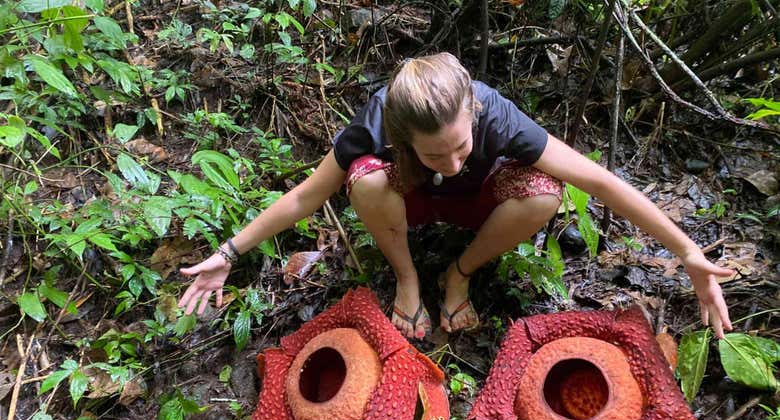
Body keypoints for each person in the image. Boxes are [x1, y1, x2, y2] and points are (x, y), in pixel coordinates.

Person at [178, 52, 734, 340]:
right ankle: (408, 276)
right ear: (403, 137)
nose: (452, 160)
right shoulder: (378, 122)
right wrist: (229, 254)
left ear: (474, 113)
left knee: (546, 192)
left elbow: (599, 181)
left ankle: (460, 273)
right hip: (406, 203)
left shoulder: (497, 114)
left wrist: (686, 253)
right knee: (365, 179)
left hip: (476, 207)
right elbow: (306, 196)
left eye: (461, 145)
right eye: (434, 153)